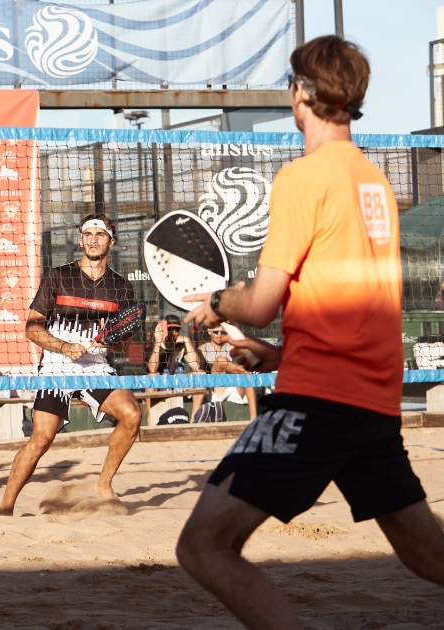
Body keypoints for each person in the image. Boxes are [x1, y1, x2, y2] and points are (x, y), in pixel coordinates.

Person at [177, 36, 444, 628]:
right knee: (427, 552)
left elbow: (263, 300)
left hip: (319, 403)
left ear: (299, 92)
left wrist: (220, 302)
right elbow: (350, 302)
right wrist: (277, 353)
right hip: (370, 400)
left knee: (203, 546)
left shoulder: (303, 178)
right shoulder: (374, 184)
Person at [0, 213, 142, 516]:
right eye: (87, 233)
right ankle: (6, 507)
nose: (92, 239)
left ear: (111, 242)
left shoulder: (121, 287)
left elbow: (124, 342)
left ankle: (104, 484)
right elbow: (32, 328)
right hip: (56, 366)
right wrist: (63, 346)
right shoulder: (57, 276)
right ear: (80, 240)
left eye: (99, 234)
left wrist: (110, 340)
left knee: (132, 415)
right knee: (41, 439)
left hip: (96, 367)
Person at [145, 314, 205, 420]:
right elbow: (152, 369)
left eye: (176, 329)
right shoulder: (154, 345)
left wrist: (186, 340)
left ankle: (194, 422)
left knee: (201, 374)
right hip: (161, 384)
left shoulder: (181, 344)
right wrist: (158, 343)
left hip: (179, 383)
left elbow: (196, 366)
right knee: (151, 377)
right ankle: (151, 421)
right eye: (170, 329)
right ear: (163, 330)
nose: (174, 332)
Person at [198, 326, 258, 420]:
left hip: (234, 387)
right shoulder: (202, 350)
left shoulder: (232, 348)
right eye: (216, 332)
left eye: (223, 332)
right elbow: (198, 371)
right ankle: (247, 373)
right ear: (209, 331)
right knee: (220, 361)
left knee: (247, 375)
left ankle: (254, 418)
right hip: (217, 389)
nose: (219, 335)